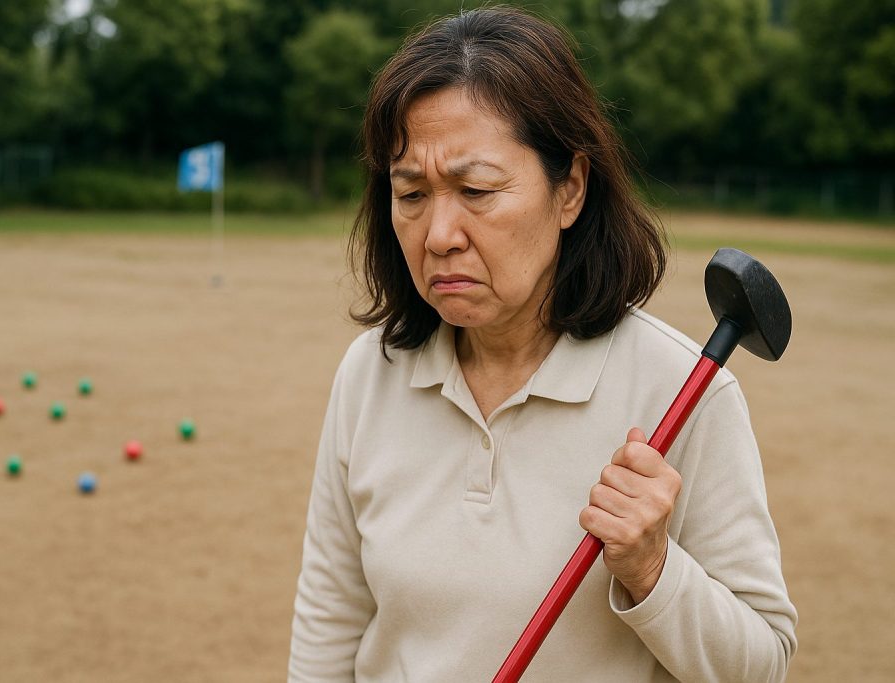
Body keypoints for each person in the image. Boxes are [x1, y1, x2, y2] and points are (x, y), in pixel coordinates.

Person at [289, 7, 797, 682]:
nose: (439, 233)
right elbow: (329, 629)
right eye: (410, 192)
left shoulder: (684, 390)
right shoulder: (370, 373)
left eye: (476, 190)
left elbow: (762, 665)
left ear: (571, 189)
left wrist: (652, 569)